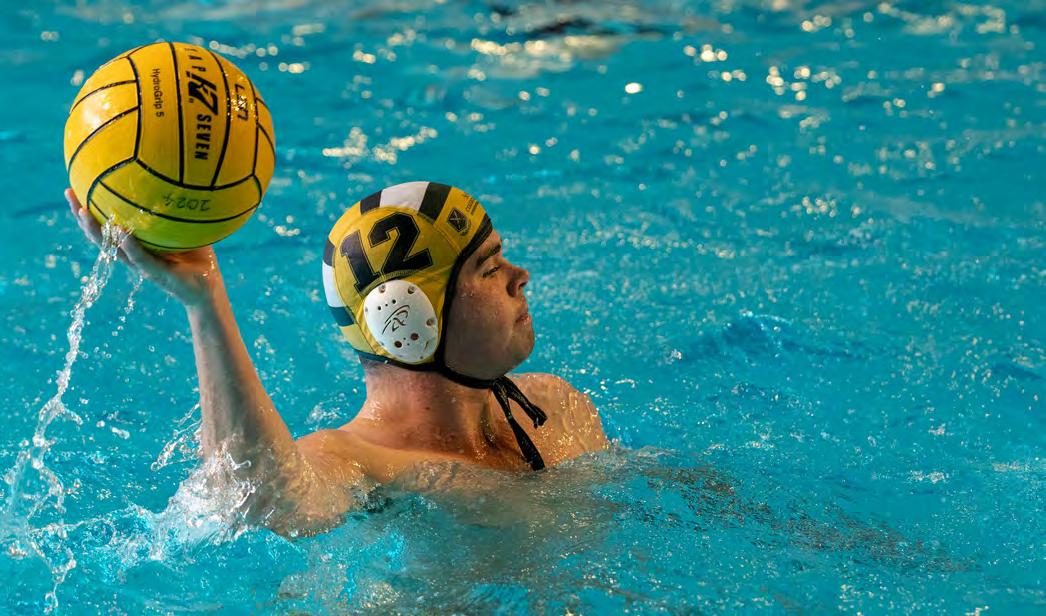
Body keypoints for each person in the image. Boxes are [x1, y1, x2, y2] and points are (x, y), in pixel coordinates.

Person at [64, 181, 609, 537]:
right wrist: (204, 302)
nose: (520, 277)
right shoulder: (362, 464)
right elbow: (256, 500)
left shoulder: (556, 408)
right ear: (410, 319)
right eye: (489, 269)